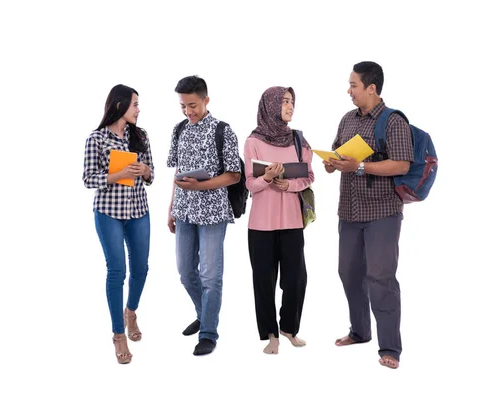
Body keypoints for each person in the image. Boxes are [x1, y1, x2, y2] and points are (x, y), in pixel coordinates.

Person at [324, 62, 414, 369]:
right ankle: (360, 331)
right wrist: (332, 162)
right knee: (348, 273)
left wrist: (359, 167)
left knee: (381, 278)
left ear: (371, 88)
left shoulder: (393, 121)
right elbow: (338, 152)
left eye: (353, 85)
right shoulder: (347, 119)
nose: (348, 91)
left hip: (382, 212)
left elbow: (402, 164)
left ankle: (390, 347)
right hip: (348, 211)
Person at [166, 75, 241, 356]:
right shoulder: (178, 130)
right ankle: (203, 312)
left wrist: (201, 186)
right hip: (184, 211)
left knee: (211, 276)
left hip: (213, 213)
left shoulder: (223, 130)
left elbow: (234, 175)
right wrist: (171, 207)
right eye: (183, 106)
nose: (188, 112)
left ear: (206, 100)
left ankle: (208, 331)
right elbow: (177, 171)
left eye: (193, 105)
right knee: (186, 273)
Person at [83, 84, 154, 364]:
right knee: (117, 271)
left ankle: (131, 312)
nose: (138, 109)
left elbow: (152, 174)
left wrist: (145, 170)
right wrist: (119, 173)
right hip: (108, 212)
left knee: (141, 268)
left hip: (138, 210)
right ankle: (118, 335)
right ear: (119, 105)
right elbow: (89, 179)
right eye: (135, 104)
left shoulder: (141, 135)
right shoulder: (96, 139)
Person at [243, 86, 314, 354]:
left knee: (296, 279)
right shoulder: (253, 141)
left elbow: (309, 177)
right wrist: (268, 178)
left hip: (293, 222)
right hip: (261, 225)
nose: (289, 106)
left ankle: (289, 328)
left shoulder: (299, 140)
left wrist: (288, 186)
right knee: (264, 281)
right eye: (284, 101)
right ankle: (271, 334)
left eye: (292, 101)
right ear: (270, 105)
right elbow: (250, 183)